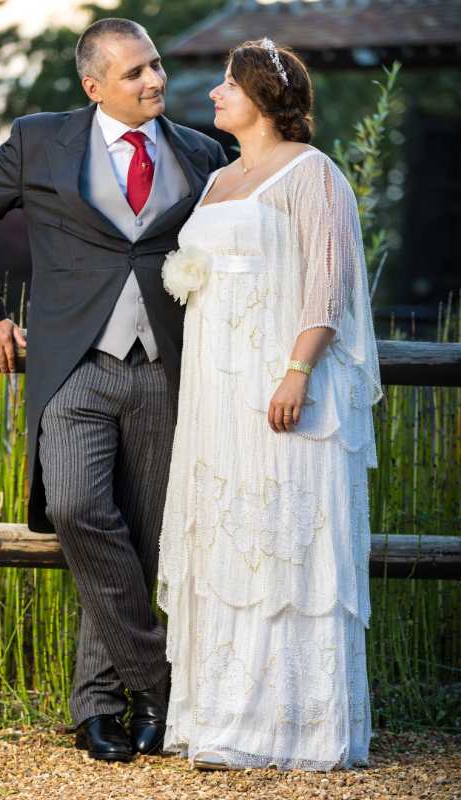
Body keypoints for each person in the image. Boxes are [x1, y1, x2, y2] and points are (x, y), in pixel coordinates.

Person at [0, 18, 227, 762]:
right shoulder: (41, 139)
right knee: (73, 507)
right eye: (134, 73)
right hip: (75, 366)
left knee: (141, 541)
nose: (153, 79)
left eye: (156, 65)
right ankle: (160, 685)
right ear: (95, 85)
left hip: (169, 371)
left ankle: (98, 707)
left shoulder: (202, 153)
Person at [158, 39, 382, 772]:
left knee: (283, 537)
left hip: (282, 386)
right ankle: (221, 719)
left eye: (228, 83)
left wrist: (296, 370)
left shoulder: (311, 174)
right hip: (214, 395)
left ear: (262, 96)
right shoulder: (221, 180)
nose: (216, 93)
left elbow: (330, 282)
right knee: (225, 539)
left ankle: (296, 727)